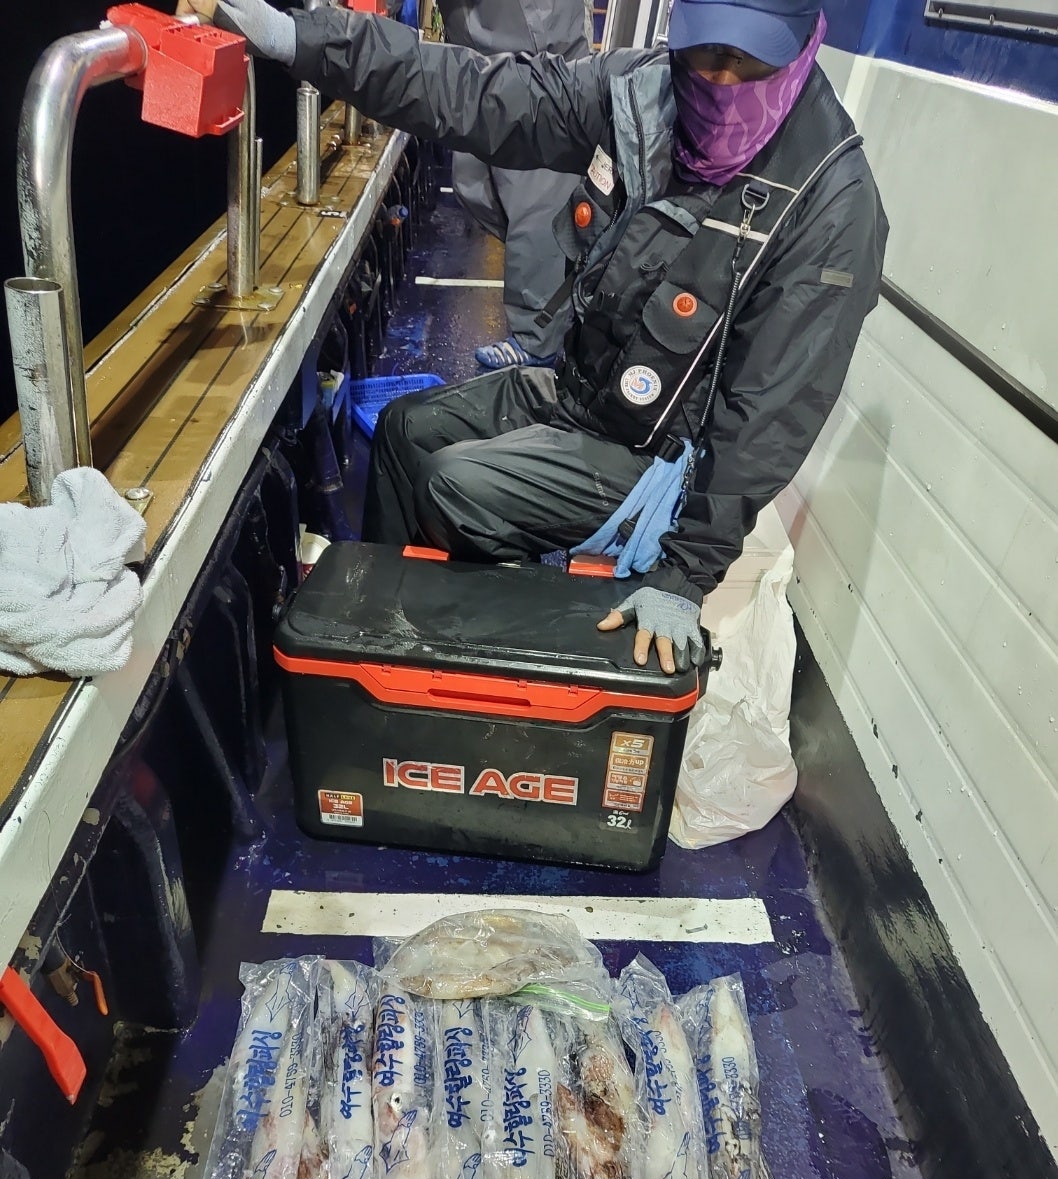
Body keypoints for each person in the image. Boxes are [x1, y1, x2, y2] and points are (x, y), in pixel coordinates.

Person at [176, 0, 888, 675]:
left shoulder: (834, 207)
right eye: (705, 51)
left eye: (749, 59)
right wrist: (295, 36)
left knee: (456, 488)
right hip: (585, 397)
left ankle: (460, 670)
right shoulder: (643, 92)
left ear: (805, 43)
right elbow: (474, 91)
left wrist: (687, 572)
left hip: (663, 464)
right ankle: (380, 645)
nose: (720, 80)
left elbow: (766, 420)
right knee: (401, 431)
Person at [430, 0, 594, 370]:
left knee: (538, 191)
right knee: (476, 182)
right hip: (479, 43)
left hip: (534, 42)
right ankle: (561, 303)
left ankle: (539, 339)